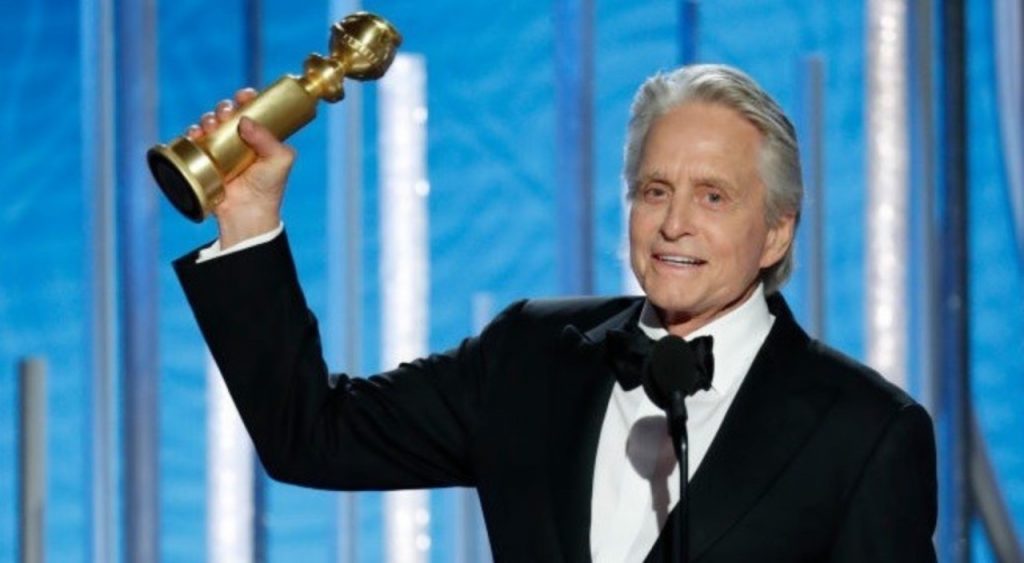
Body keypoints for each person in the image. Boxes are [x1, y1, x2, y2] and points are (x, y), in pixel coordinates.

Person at [174, 64, 937, 562]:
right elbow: (311, 434)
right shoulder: (531, 354)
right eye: (655, 190)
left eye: (713, 196)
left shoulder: (866, 432)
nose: (674, 224)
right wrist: (249, 221)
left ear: (776, 231)